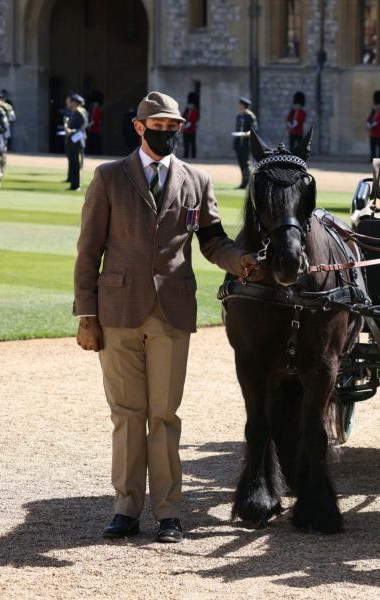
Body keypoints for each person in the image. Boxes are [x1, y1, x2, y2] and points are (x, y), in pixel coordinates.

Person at [73, 91, 258, 544]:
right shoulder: (109, 177)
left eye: (174, 126)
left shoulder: (196, 179)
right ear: (140, 128)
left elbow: (213, 240)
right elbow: (88, 249)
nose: (168, 133)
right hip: (117, 312)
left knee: (165, 415)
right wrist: (87, 314)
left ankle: (170, 513)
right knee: (127, 414)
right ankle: (126, 509)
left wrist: (243, 262)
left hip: (172, 311)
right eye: (159, 126)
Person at [64, 92, 89, 191]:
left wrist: (72, 131)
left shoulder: (80, 112)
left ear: (74, 102)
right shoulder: (73, 112)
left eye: (70, 102)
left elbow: (83, 126)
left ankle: (77, 185)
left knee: (77, 163)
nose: (69, 103)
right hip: (72, 140)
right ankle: (73, 184)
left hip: (78, 140)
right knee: (73, 162)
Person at [233, 96, 257, 189]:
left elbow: (254, 130)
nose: (239, 106)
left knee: (246, 164)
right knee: (241, 163)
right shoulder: (239, 116)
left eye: (240, 104)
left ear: (244, 105)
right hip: (239, 143)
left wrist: (247, 133)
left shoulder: (250, 116)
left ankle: (248, 183)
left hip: (246, 143)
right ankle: (244, 182)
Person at [367, 90, 380, 162]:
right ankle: (372, 158)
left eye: (378, 104)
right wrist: (368, 124)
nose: (376, 106)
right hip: (372, 133)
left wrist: (372, 125)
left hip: (379, 133)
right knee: (372, 147)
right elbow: (369, 119)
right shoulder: (373, 113)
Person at [181, 92, 199, 159]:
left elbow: (192, 121)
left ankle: (193, 156)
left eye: (191, 105)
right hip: (185, 130)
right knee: (185, 144)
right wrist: (183, 126)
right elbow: (182, 118)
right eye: (189, 104)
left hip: (192, 130)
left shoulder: (195, 112)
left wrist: (185, 127)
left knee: (192, 144)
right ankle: (186, 155)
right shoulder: (186, 111)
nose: (190, 106)